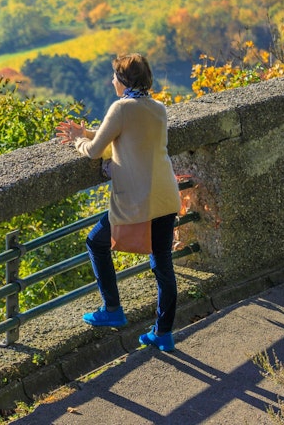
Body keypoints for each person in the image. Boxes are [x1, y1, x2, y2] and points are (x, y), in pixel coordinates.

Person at [55, 53, 181, 351]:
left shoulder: (121, 107)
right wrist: (82, 131)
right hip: (165, 195)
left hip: (138, 200)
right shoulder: (158, 108)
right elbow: (124, 135)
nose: (111, 81)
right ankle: (163, 333)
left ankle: (112, 310)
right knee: (163, 266)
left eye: (114, 76)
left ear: (123, 81)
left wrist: (77, 141)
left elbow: (96, 150)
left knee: (96, 242)